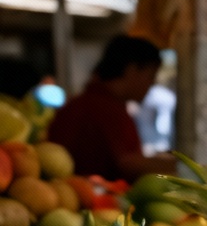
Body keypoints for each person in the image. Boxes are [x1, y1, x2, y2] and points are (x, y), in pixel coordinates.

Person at [47, 34, 177, 182]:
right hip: (99, 200)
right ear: (132, 70)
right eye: (151, 76)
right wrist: (183, 167)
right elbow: (128, 163)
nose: (152, 84)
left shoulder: (76, 104)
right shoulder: (106, 109)